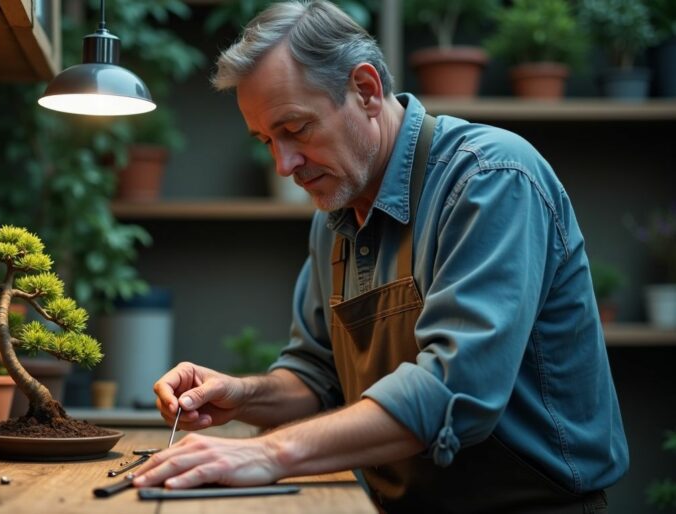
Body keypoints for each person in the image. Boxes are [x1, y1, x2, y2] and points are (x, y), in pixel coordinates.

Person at [131, 1, 629, 511]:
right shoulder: (335, 215)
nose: (284, 165)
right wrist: (242, 393)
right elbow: (315, 374)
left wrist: (266, 452)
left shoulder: (491, 180)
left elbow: (454, 392)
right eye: (266, 140)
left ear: (366, 90)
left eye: (296, 128)